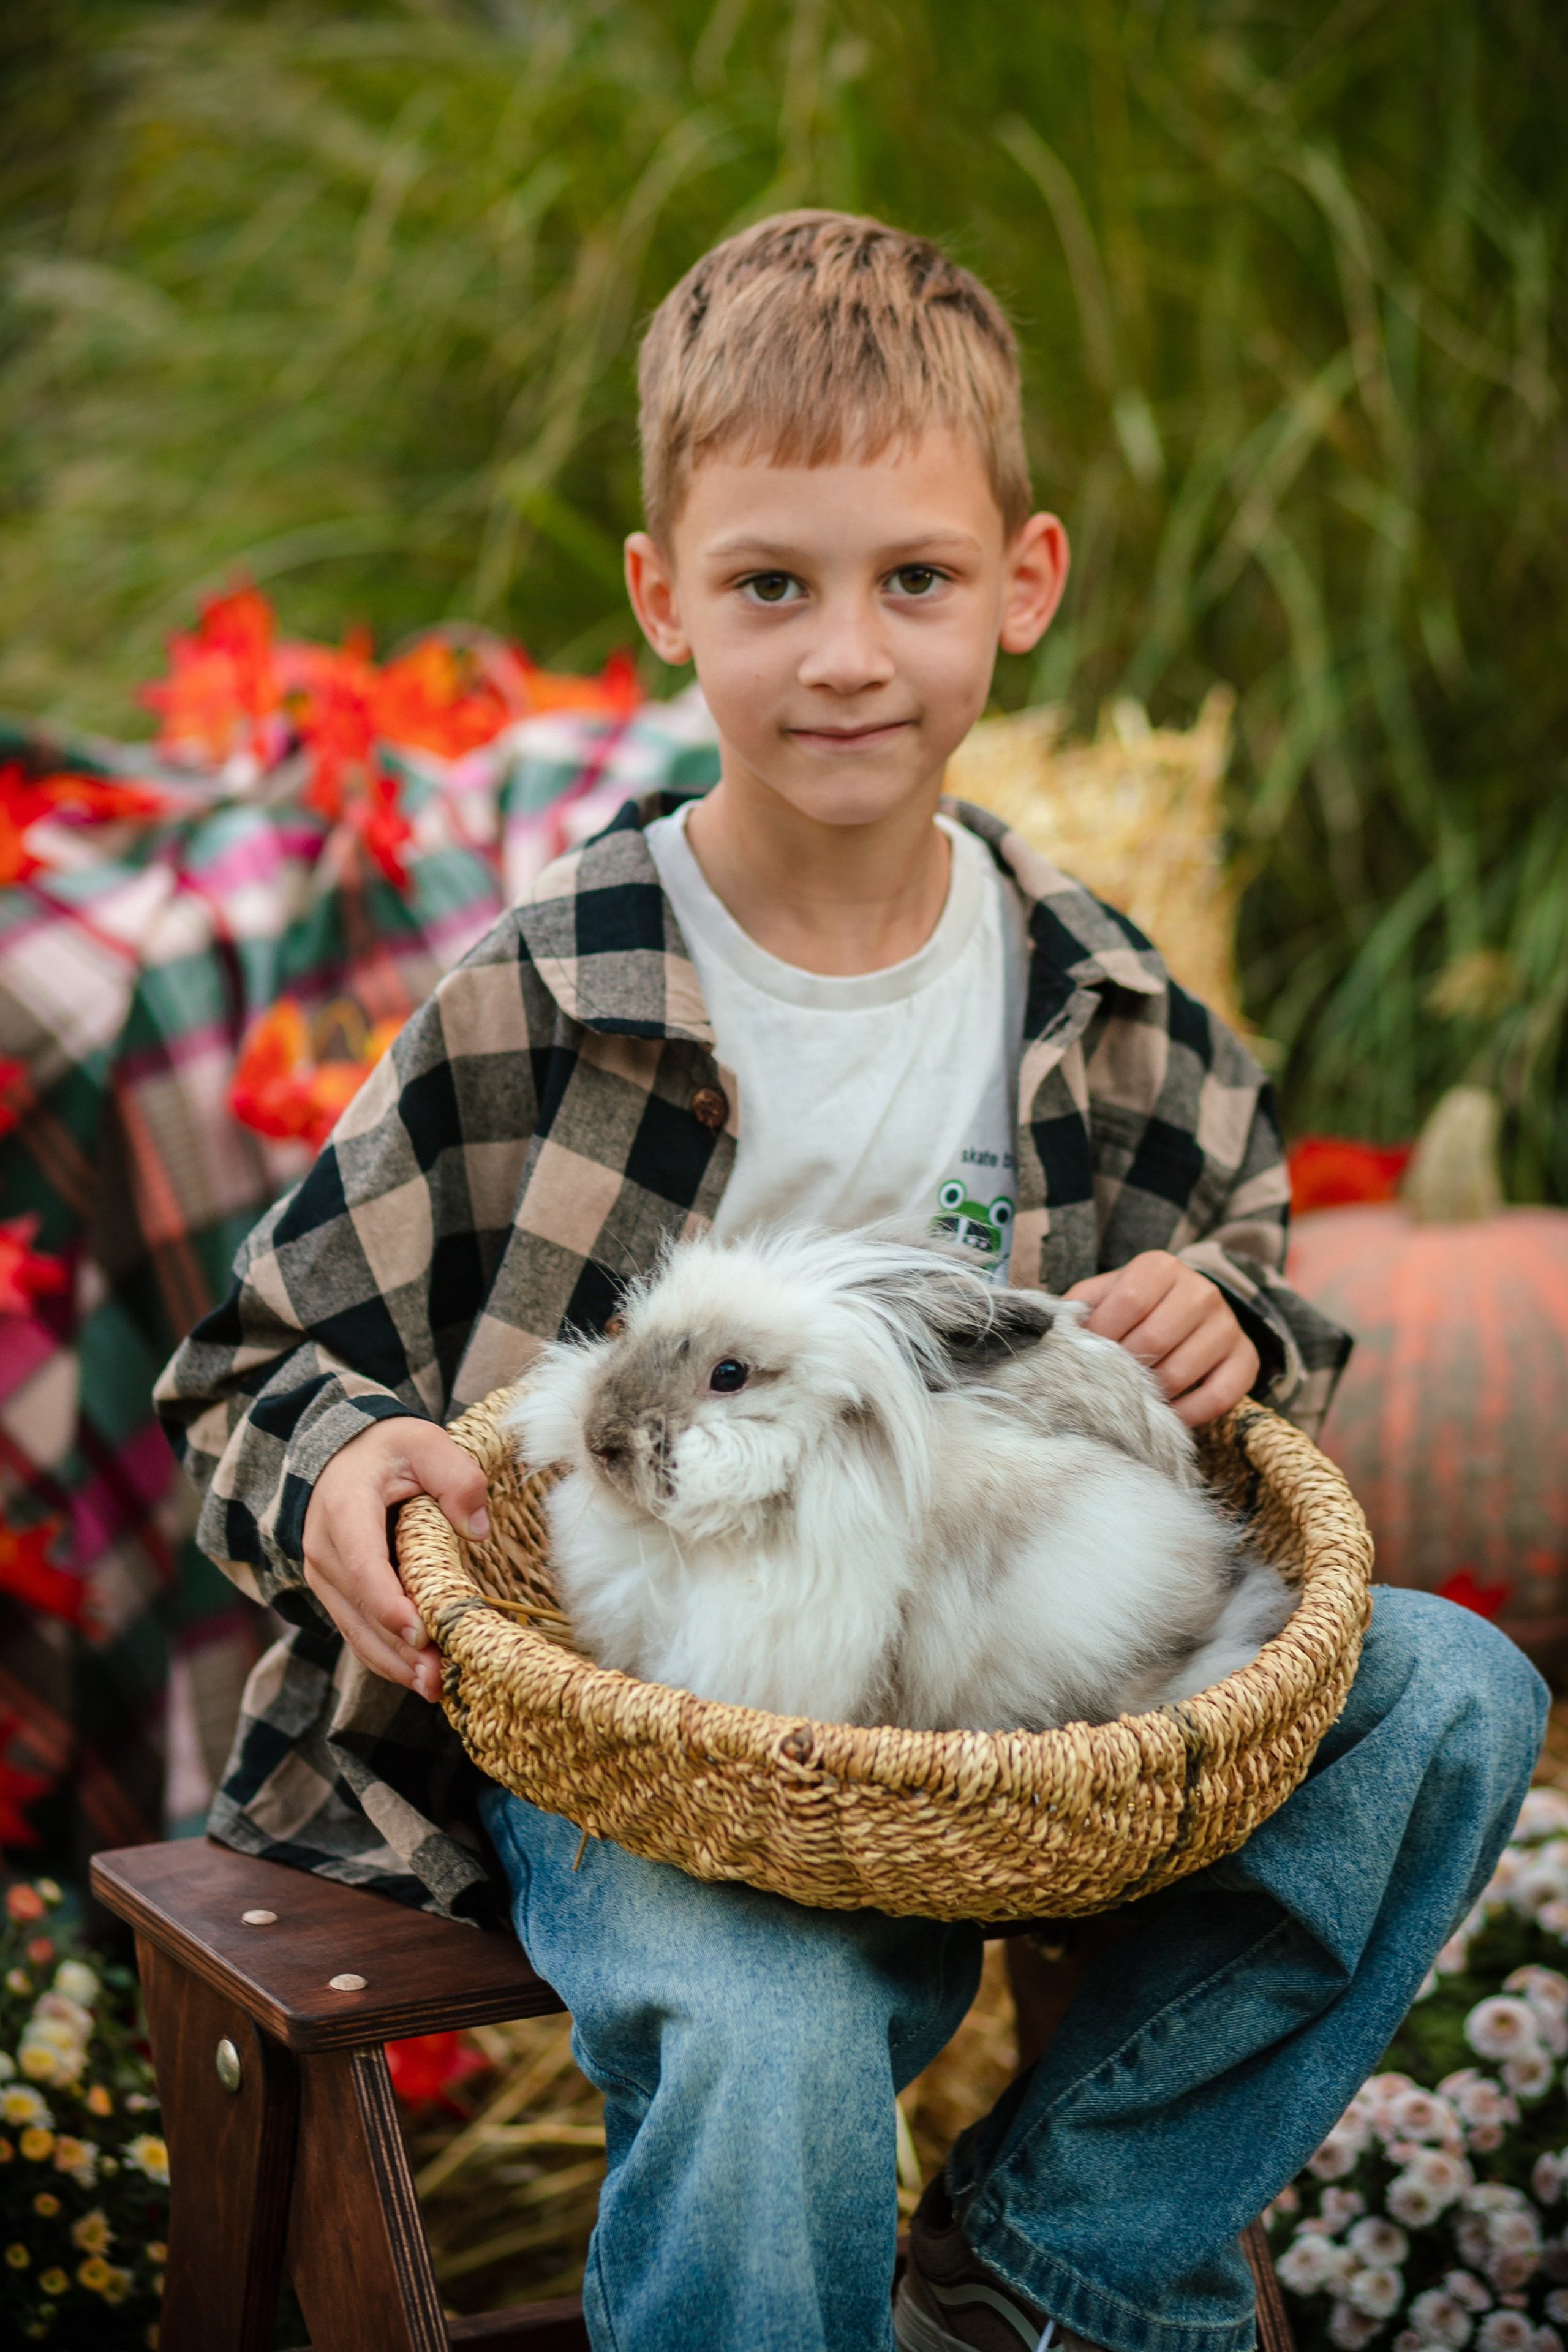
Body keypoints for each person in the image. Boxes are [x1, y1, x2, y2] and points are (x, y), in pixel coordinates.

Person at [155, 211, 1545, 2352]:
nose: (845, 657)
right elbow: (256, 1367)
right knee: (775, 2025)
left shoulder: (1101, 1001)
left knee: (1457, 1696)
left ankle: (1051, 2258)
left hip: (1002, 1696)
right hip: (662, 1735)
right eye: (770, 588)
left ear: (1024, 583)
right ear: (662, 600)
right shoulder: (548, 991)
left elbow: (1253, 1289)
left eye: (914, 579)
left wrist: (1230, 1321)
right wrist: (335, 1474)